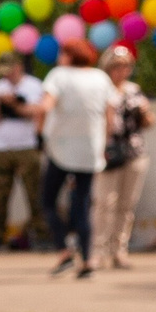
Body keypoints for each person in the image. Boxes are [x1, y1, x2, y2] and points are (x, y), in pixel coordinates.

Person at [40, 38, 116, 278]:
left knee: (47, 200)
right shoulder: (100, 78)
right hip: (90, 150)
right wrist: (104, 144)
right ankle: (88, 260)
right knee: (82, 205)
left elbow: (45, 106)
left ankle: (64, 249)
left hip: (61, 149)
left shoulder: (59, 75)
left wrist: (39, 131)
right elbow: (110, 115)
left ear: (69, 56)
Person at [93, 42, 154, 269]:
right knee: (104, 203)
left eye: (126, 66)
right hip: (107, 153)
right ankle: (97, 251)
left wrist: (146, 112)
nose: (121, 70)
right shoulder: (99, 89)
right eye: (116, 66)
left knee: (126, 205)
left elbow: (148, 122)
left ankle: (119, 251)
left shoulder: (134, 90)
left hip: (134, 153)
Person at [0, 50, 47, 249]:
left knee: (35, 194)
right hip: (2, 148)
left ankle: (42, 235)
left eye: (9, 71)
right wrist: (2, 105)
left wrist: (17, 104)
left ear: (18, 67)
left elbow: (39, 111)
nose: (6, 76)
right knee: (0, 195)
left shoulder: (34, 86)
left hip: (27, 147)